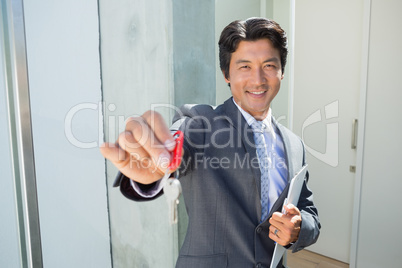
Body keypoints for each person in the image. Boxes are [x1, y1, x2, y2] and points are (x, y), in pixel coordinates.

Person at [101, 17, 320, 268]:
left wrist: (299, 228)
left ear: (281, 71)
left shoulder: (294, 145)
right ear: (227, 74)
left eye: (269, 65)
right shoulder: (200, 122)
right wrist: (154, 168)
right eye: (245, 67)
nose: (258, 79)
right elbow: (174, 146)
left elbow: (309, 212)